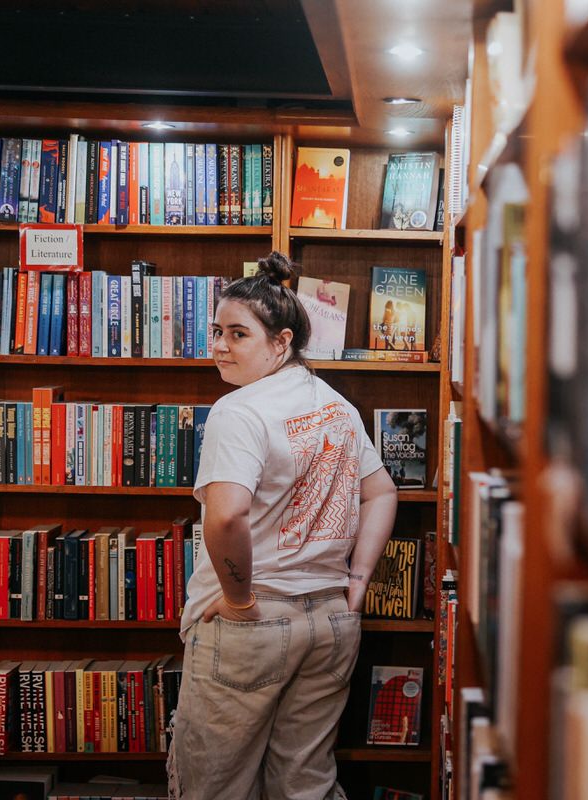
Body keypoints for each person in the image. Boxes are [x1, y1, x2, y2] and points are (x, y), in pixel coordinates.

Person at [168, 252, 398, 799]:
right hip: (331, 623)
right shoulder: (336, 405)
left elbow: (225, 514)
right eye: (216, 331)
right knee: (306, 783)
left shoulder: (239, 411)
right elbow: (383, 490)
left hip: (255, 621)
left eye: (238, 334)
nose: (220, 345)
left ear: (281, 341)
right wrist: (357, 582)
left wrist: (241, 601)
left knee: (215, 787)